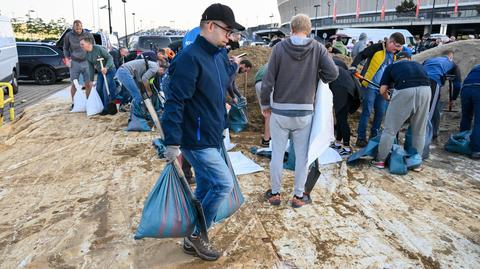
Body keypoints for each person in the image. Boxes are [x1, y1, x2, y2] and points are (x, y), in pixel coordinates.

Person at [161, 3, 244, 261]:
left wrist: (235, 66)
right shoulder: (189, 59)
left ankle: (191, 234)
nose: (229, 37)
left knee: (207, 185)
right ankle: (198, 234)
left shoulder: (218, 55)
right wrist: (172, 142)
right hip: (195, 139)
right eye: (226, 31)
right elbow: (175, 103)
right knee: (222, 184)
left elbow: (222, 75)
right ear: (210, 26)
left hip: (212, 132)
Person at [260, 14, 338, 208]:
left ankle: (275, 193)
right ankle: (298, 196)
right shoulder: (318, 48)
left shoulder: (279, 48)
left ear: (291, 29)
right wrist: (316, 74)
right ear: (309, 30)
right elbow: (333, 73)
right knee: (302, 156)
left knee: (277, 154)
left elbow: (268, 81)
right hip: (304, 112)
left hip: (280, 110)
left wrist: (264, 105)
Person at [371, 52, 431, 170]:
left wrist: (388, 98)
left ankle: (380, 160)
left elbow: (383, 90)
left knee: (390, 129)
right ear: (409, 59)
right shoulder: (418, 65)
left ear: (396, 59)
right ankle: (416, 163)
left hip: (404, 90)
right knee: (419, 130)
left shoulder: (391, 67)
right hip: (426, 91)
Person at [351, 32, 405, 147]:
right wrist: (353, 66)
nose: (398, 49)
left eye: (399, 47)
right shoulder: (377, 48)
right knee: (367, 112)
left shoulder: (395, 55)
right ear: (391, 42)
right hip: (369, 86)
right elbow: (361, 55)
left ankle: (374, 136)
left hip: (382, 88)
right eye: (397, 46)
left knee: (380, 112)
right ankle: (361, 138)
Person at [423, 50, 461, 140]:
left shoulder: (429, 60)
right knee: (430, 110)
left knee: (426, 107)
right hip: (433, 81)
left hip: (418, 81)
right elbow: (457, 85)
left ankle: (433, 132)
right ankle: (424, 137)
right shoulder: (452, 64)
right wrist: (453, 99)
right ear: (450, 57)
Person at [329, 56, 362, 157]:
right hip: (351, 92)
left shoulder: (330, 67)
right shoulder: (339, 66)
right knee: (340, 118)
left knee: (342, 119)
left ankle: (347, 148)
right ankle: (337, 143)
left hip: (343, 93)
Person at [80, 37, 117, 111]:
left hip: (110, 70)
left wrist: (106, 67)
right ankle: (102, 106)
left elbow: (110, 58)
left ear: (89, 44)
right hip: (101, 72)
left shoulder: (98, 48)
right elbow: (91, 68)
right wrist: (91, 80)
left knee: (105, 89)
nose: (81, 46)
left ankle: (108, 108)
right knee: (99, 88)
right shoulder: (87, 54)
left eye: (82, 44)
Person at [63, 20, 94, 105]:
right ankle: (74, 103)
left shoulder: (88, 35)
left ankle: (89, 102)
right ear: (73, 27)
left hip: (86, 62)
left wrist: (93, 60)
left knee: (88, 83)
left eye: (80, 28)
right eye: (76, 29)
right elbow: (65, 48)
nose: (78, 30)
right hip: (75, 62)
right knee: (74, 84)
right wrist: (67, 58)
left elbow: (93, 47)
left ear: (82, 26)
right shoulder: (68, 35)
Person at [459, 64, 480, 159]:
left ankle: (461, 143)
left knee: (466, 117)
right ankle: (476, 150)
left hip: (465, 89)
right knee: (478, 122)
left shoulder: (476, 66)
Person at [255, 63, 271, 147]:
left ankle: (268, 138)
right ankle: (267, 140)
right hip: (267, 84)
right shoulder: (283, 59)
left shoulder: (267, 64)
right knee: (271, 113)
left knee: (268, 113)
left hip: (258, 84)